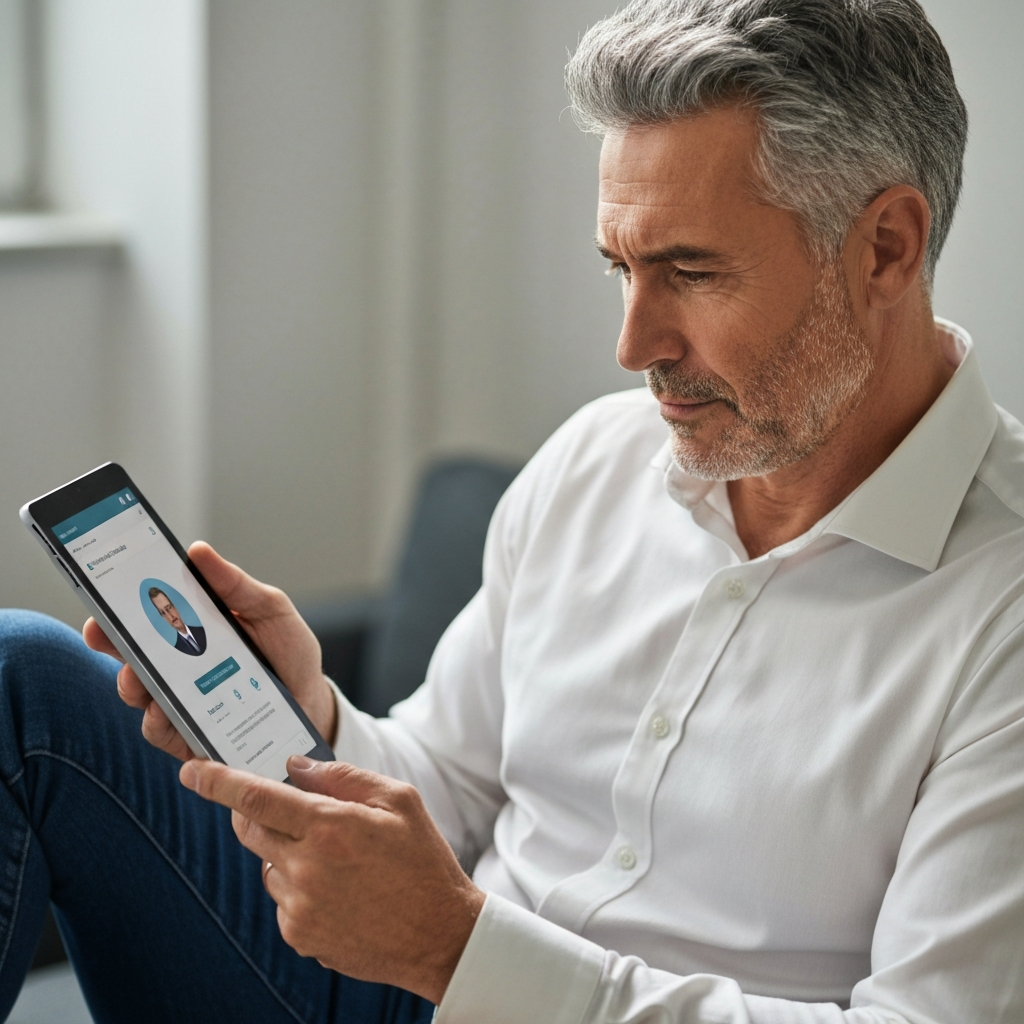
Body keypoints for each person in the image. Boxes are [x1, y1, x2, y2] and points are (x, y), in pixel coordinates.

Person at [2, 0, 1022, 1021]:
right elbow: (439, 788)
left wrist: (460, 952)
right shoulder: (594, 461)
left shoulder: (1001, 605)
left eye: (691, 272)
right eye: (621, 268)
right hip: (404, 990)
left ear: (885, 246)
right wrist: (310, 716)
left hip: (455, 981)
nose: (633, 345)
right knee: (25, 677)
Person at [148, 586, 208, 656]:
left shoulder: (203, 631)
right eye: (163, 613)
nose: (169, 616)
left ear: (175, 606)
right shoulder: (176, 650)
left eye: (169, 608)